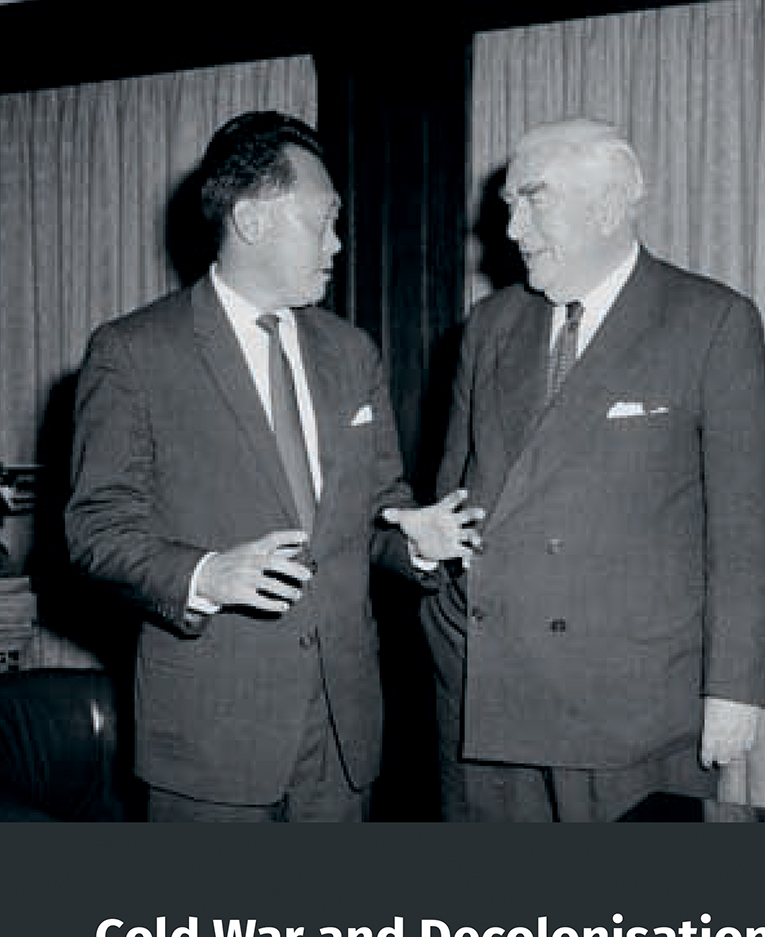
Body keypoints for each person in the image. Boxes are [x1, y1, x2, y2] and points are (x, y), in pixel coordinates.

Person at [65, 111, 480, 822]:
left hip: (344, 732)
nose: (338, 243)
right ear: (252, 221)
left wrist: (415, 542)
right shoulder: (134, 353)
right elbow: (95, 529)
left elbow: (376, 510)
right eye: (323, 221)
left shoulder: (351, 353)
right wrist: (205, 574)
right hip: (210, 735)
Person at [421, 117, 765, 822]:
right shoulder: (491, 325)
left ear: (609, 206)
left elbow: (748, 527)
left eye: (532, 201)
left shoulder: (710, 320)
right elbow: (454, 499)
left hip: (633, 705)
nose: (513, 229)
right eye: (508, 208)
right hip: (487, 694)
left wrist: (733, 690)